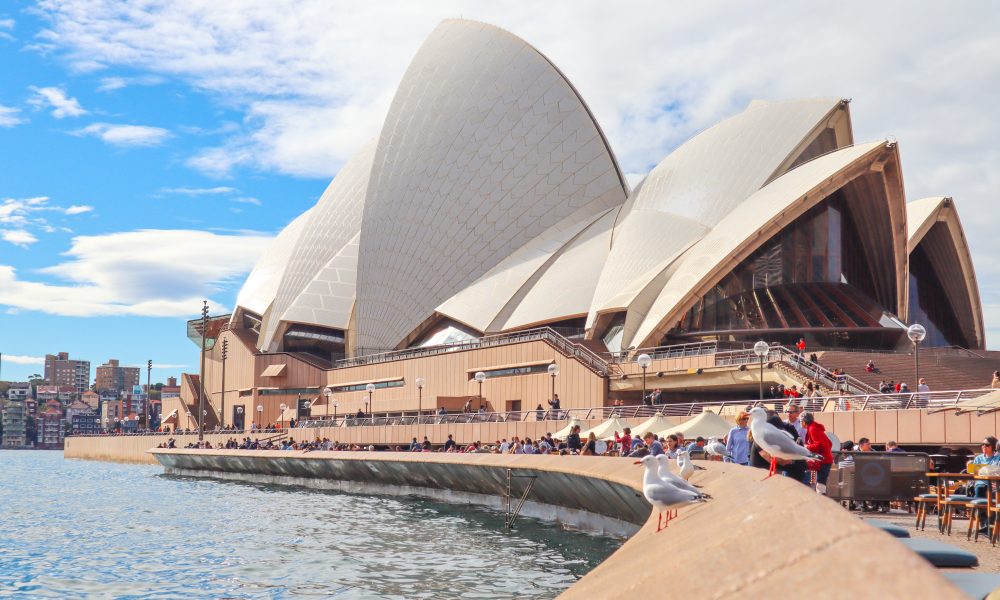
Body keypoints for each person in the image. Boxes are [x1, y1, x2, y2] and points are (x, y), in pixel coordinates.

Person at [802, 412, 834, 494]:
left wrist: (806, 446)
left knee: (820, 484)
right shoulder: (815, 428)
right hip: (826, 458)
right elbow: (829, 443)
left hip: (823, 460)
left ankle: (822, 504)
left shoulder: (812, 429)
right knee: (820, 483)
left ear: (804, 421)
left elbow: (818, 445)